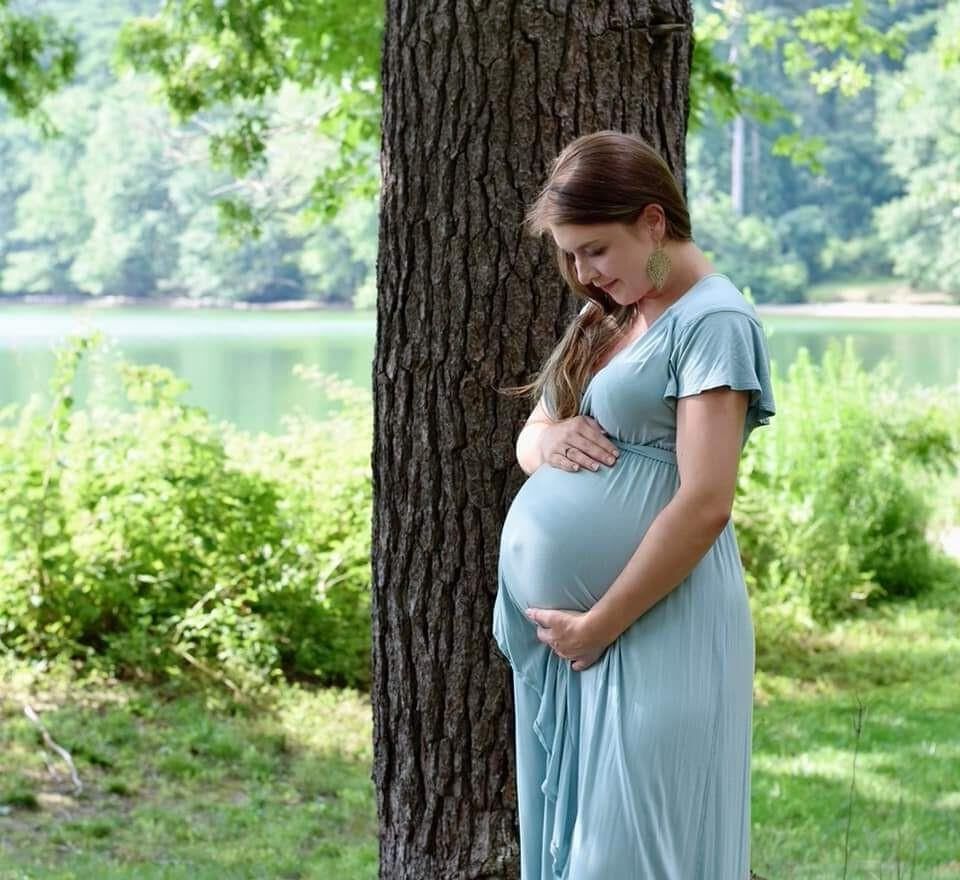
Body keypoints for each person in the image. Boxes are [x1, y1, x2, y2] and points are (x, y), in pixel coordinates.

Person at [493, 130, 776, 879]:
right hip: (585, 644)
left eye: (595, 249)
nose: (582, 273)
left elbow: (707, 501)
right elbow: (533, 436)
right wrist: (550, 444)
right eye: (570, 254)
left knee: (627, 858)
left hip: (655, 627)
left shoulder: (714, 323)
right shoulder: (609, 314)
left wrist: (597, 625)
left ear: (653, 222)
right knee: (581, 844)